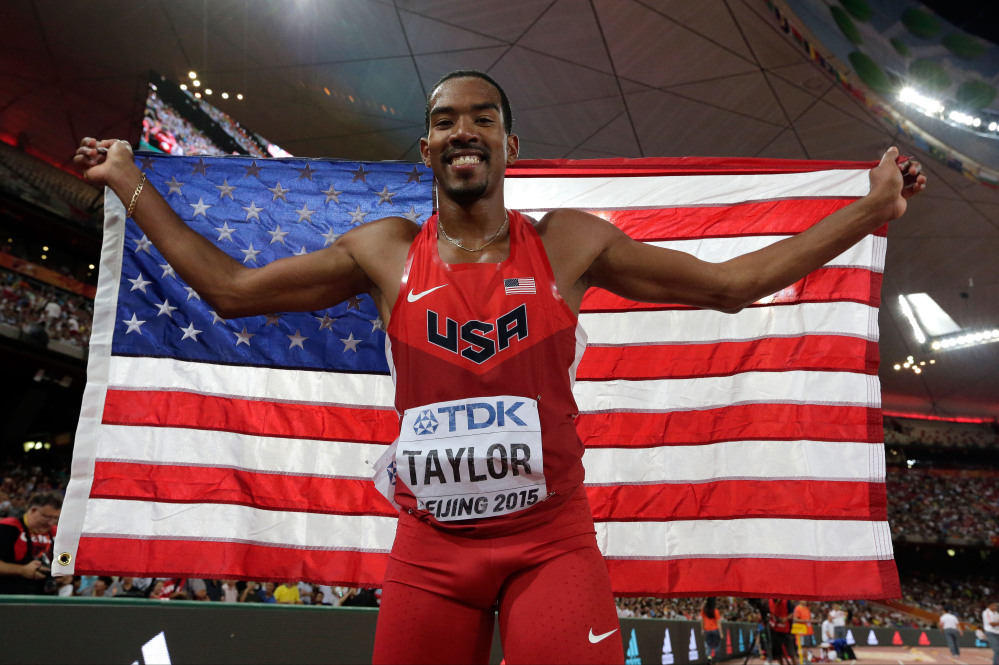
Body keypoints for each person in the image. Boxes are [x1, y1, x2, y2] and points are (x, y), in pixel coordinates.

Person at [74, 69, 925, 665]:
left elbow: (733, 286)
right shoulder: (385, 253)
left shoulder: (568, 243)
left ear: (510, 143)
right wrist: (128, 181)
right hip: (430, 553)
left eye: (480, 116)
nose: (462, 130)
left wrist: (870, 209)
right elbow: (230, 290)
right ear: (426, 148)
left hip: (547, 545)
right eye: (445, 120)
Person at [0, 491, 61, 595]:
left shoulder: (57, 532)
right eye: (46, 517)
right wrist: (21, 570)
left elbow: (65, 558)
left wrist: (65, 572)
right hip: (9, 597)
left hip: (45, 599)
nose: (51, 522)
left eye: (55, 518)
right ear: (33, 510)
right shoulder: (8, 528)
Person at [701, 597, 722, 663]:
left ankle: (709, 659)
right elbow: (718, 622)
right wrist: (721, 633)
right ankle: (716, 660)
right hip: (715, 630)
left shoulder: (704, 610)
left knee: (709, 647)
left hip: (707, 630)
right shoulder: (715, 610)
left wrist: (702, 629)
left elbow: (702, 621)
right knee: (716, 647)